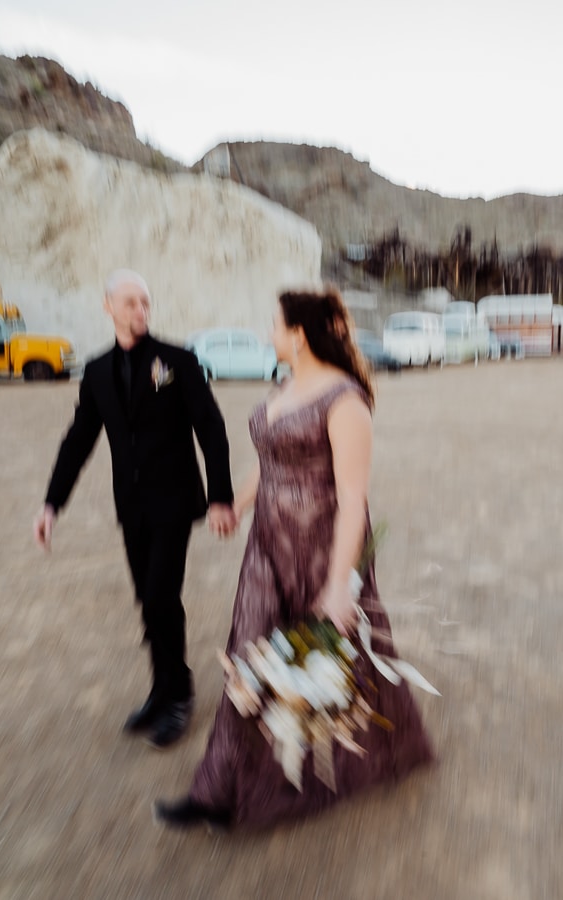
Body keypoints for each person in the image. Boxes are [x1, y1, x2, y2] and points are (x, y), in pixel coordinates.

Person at [153, 286, 434, 829]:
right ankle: (221, 787)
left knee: (339, 663)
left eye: (275, 325)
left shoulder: (344, 400)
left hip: (321, 550)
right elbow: (272, 458)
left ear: (299, 335)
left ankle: (381, 753)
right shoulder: (287, 386)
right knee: (251, 656)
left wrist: (336, 585)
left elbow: (354, 497)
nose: (268, 334)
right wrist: (237, 502)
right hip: (268, 545)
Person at [33, 269, 236, 748]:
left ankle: (180, 694)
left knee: (162, 594)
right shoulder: (98, 371)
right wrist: (51, 503)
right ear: (108, 307)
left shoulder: (178, 361)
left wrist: (220, 496)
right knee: (148, 599)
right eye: (129, 303)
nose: (140, 310)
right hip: (132, 506)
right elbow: (79, 439)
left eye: (145, 302)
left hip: (174, 502)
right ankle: (161, 689)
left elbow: (211, 429)